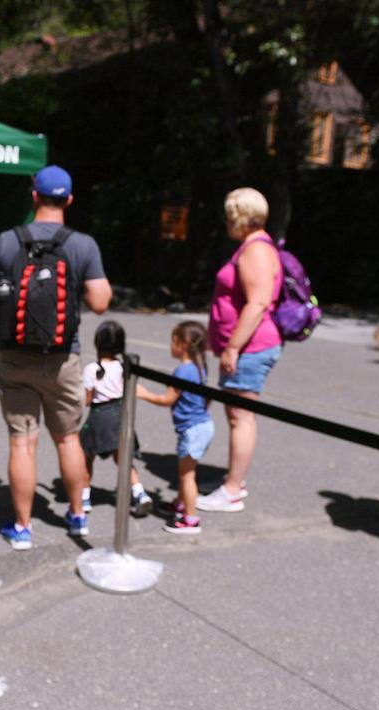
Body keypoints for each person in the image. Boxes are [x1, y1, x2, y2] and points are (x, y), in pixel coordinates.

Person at [0, 165, 112, 550]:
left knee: (22, 443)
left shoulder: (6, 241)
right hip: (63, 357)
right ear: (69, 200)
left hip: (15, 356)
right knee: (68, 438)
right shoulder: (82, 244)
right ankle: (76, 516)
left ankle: (22, 529)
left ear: (33, 196)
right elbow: (101, 301)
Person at [198, 187, 283, 513]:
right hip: (247, 346)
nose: (225, 221)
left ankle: (232, 490)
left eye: (229, 215)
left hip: (251, 347)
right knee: (238, 416)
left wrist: (233, 346)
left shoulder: (256, 251)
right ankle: (234, 479)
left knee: (240, 418)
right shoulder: (252, 247)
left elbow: (258, 302)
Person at [137, 320, 215, 533]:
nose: (171, 346)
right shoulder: (200, 367)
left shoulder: (183, 371)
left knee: (187, 475)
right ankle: (180, 504)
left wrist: (144, 394)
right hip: (202, 425)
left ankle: (190, 519)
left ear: (184, 343)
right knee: (186, 471)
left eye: (173, 341)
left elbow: (168, 399)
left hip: (193, 429)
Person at [78, 320, 154, 517]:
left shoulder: (91, 369)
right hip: (120, 416)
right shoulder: (124, 367)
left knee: (87, 456)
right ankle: (140, 492)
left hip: (99, 417)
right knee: (124, 459)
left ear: (97, 343)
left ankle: (84, 496)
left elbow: (87, 401)